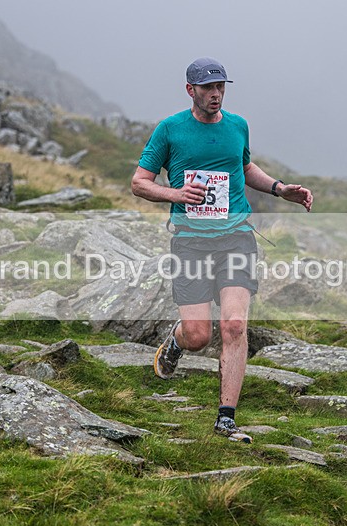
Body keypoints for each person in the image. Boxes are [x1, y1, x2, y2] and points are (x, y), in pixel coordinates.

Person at [131, 57, 313, 443]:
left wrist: (281, 189)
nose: (216, 95)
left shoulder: (238, 125)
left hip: (236, 237)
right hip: (191, 242)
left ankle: (226, 418)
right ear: (190, 90)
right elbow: (139, 183)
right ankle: (176, 342)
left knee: (233, 325)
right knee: (199, 335)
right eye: (208, 88)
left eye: (221, 87)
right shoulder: (170, 130)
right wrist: (176, 194)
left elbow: (243, 167)